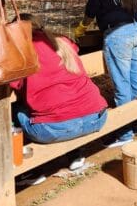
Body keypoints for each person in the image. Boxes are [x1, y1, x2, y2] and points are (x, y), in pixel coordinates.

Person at [10, 17, 108, 159]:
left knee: (17, 110)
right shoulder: (61, 41)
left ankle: (26, 167)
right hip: (97, 117)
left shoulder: (22, 51)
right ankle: (76, 156)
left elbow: (13, 83)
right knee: (67, 111)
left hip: (54, 129)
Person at [82, 0, 137, 146]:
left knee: (121, 85)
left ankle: (125, 134)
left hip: (118, 34)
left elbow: (92, 7)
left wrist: (83, 25)